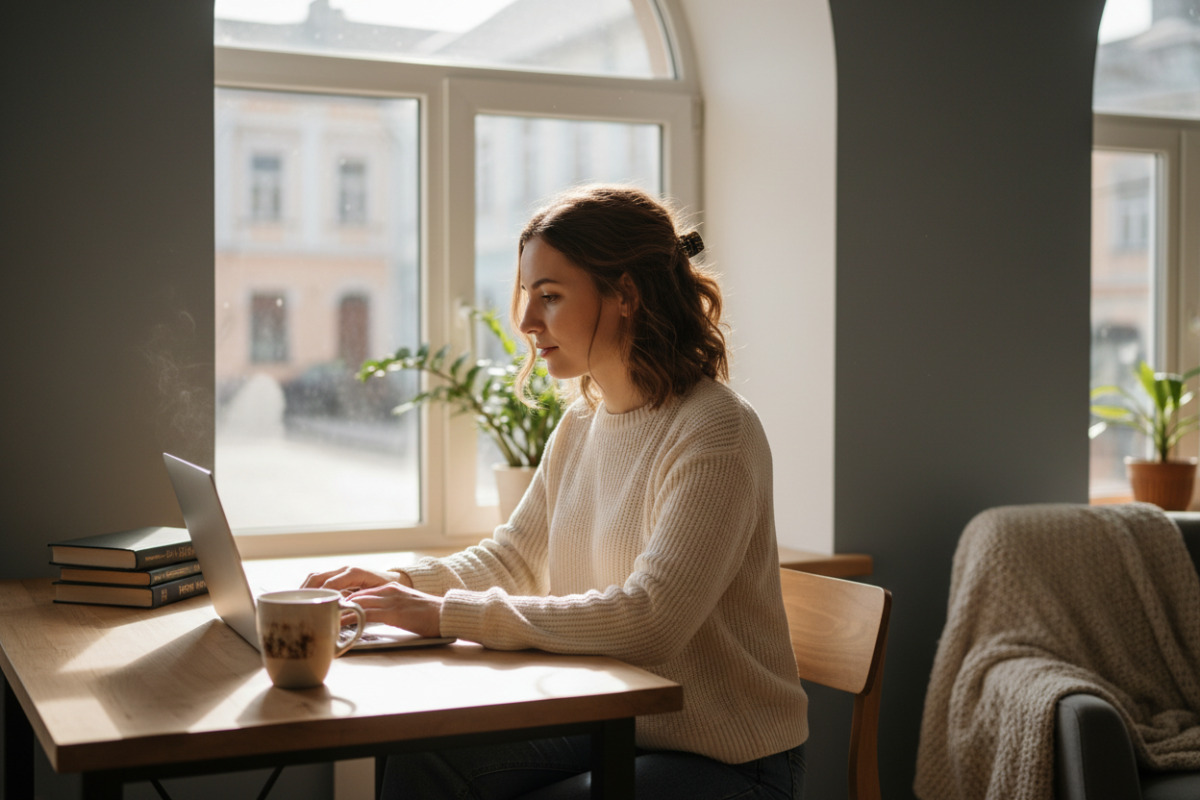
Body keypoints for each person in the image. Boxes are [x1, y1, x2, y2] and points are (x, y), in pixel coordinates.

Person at [303, 184, 808, 799]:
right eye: (526, 296)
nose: (524, 322)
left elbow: (651, 620)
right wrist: (398, 587)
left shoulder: (715, 432)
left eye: (550, 296)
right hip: (618, 722)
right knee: (423, 758)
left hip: (730, 761)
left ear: (626, 294)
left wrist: (441, 614)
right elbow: (514, 557)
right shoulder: (581, 423)